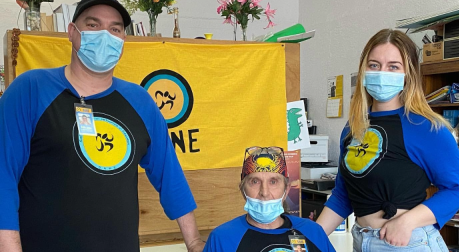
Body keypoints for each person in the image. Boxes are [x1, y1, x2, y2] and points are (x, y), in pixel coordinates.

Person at [0, 0, 204, 251]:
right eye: (93, 25)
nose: (105, 35)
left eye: (115, 29)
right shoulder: (32, 88)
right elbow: (3, 176)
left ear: (122, 41)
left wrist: (194, 242)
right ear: (72, 32)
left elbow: (169, 176)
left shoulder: (140, 101)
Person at [316, 29, 459, 251]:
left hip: (409, 242)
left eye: (393, 66)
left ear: (408, 74)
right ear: (363, 70)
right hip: (362, 240)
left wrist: (407, 222)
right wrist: (312, 238)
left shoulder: (427, 127)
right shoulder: (354, 127)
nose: (382, 73)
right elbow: (343, 194)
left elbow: (457, 189)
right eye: (374, 65)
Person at [204, 146, 335, 252]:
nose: (264, 192)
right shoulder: (223, 238)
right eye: (255, 181)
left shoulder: (312, 231)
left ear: (287, 189)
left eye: (273, 182)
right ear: (243, 190)